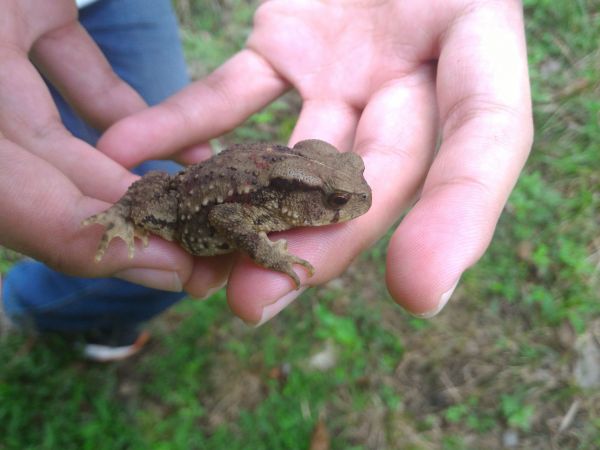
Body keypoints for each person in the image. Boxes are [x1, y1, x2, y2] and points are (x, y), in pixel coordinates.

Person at [0, 0, 533, 359]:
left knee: (155, 224)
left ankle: (87, 315)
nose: (349, 204)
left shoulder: (288, 194)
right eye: (338, 200)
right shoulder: (265, 207)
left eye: (348, 190)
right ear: (304, 199)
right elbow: (230, 215)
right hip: (192, 210)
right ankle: (23, 311)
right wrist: (271, 255)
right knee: (137, 219)